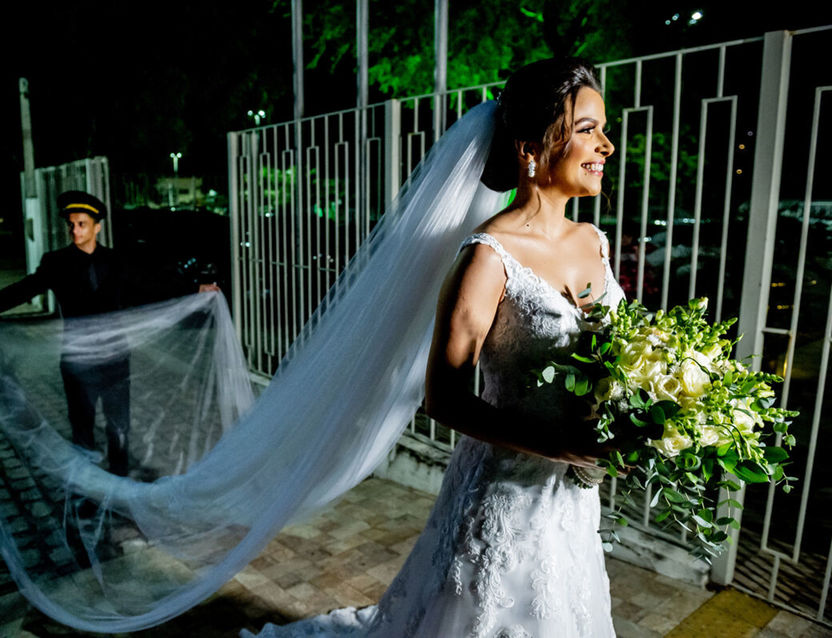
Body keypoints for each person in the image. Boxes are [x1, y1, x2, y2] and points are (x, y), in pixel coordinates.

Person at [246, 58, 620, 637]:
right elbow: (443, 397)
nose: (607, 145)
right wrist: (559, 445)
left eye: (604, 129)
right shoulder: (488, 257)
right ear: (530, 147)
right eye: (588, 129)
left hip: (571, 499)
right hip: (504, 498)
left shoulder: (595, 242)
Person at [0, 191, 134, 475]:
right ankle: (87, 483)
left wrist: (196, 289)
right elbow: (20, 291)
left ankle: (120, 482)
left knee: (120, 426)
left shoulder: (116, 261)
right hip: (78, 361)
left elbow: (150, 286)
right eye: (71, 224)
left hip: (115, 358)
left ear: (97, 227)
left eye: (82, 224)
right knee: (82, 426)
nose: (75, 230)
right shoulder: (57, 262)